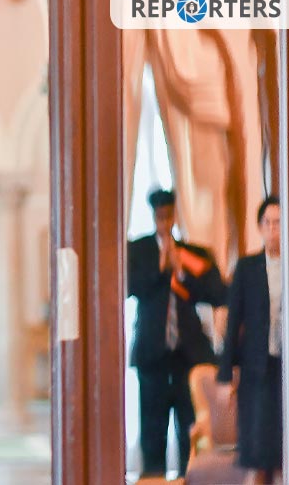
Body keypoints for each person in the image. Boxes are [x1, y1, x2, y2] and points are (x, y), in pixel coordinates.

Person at [128, 188, 227, 478]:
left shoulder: (194, 254)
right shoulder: (138, 251)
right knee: (152, 432)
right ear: (153, 216)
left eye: (168, 216)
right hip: (152, 357)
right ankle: (153, 480)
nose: (164, 222)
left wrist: (182, 273)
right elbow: (129, 288)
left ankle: (189, 479)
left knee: (190, 431)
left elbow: (219, 294)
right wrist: (161, 268)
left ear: (175, 216)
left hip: (188, 357)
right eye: (159, 216)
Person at [218, 196, 282, 484]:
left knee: (281, 458)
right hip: (256, 371)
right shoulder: (247, 268)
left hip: (283, 370)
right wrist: (225, 376)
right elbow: (233, 323)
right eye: (267, 223)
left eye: (278, 223)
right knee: (256, 455)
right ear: (260, 227)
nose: (273, 229)